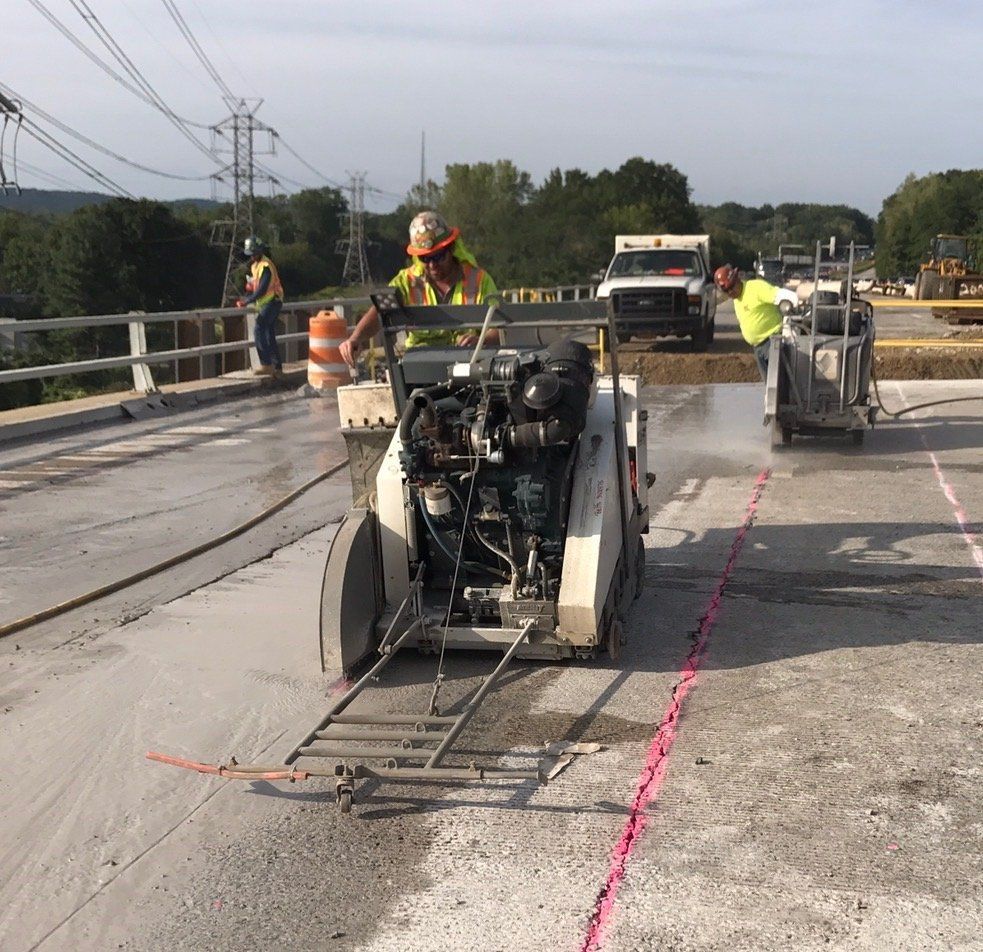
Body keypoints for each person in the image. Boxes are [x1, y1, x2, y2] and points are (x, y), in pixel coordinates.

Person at [339, 211, 499, 366]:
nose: (432, 265)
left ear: (451, 249)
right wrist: (355, 338)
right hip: (420, 365)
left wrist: (482, 341)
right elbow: (380, 311)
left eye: (438, 256)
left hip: (470, 364)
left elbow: (501, 327)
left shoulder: (479, 280)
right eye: (425, 258)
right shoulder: (406, 282)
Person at [713, 264, 798, 380]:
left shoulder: (755, 288)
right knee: (769, 385)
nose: (730, 292)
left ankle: (788, 398)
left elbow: (781, 294)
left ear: (737, 279)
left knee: (779, 383)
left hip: (773, 342)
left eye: (731, 287)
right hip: (758, 347)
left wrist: (790, 317)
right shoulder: (736, 299)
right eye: (726, 290)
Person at [236, 236, 284, 377]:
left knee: (259, 330)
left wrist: (246, 301)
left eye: (254, 254)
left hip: (272, 301)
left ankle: (266, 364)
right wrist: (250, 287)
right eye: (250, 255)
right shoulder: (255, 266)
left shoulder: (265, 265)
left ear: (259, 251)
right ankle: (277, 367)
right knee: (268, 333)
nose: (252, 257)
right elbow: (258, 286)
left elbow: (262, 289)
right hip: (268, 302)